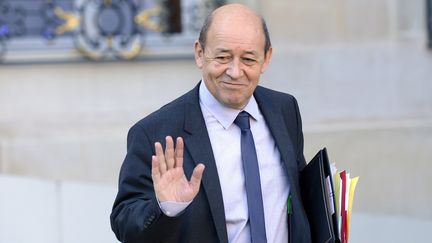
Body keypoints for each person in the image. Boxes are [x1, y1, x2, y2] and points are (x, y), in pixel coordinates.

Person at [110, 3, 311, 243]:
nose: (235, 72)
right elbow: (125, 225)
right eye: (223, 57)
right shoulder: (154, 132)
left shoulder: (284, 109)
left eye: (248, 59)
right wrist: (167, 207)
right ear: (199, 53)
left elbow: (298, 199)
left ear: (266, 59)